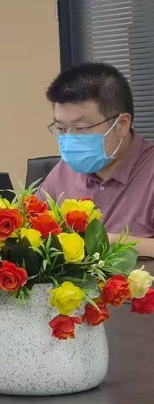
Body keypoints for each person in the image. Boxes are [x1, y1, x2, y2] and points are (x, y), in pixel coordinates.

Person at [40, 62, 154, 258]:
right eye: (61, 128)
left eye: (81, 128)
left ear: (122, 124)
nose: (69, 138)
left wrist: (113, 242)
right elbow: (30, 229)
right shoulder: (64, 170)